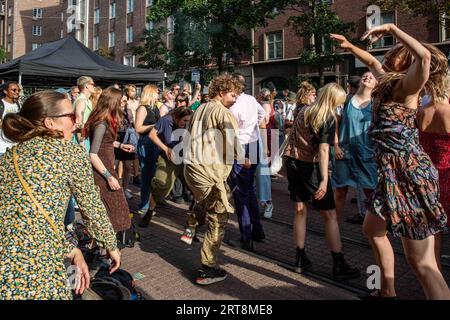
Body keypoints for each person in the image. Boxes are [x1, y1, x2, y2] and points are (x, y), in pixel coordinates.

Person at [331, 23, 450, 299]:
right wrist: (350, 47)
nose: (389, 54)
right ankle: (387, 291)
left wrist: (393, 29)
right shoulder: (387, 83)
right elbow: (372, 60)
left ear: (405, 61)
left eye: (396, 51)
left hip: (409, 177)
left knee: (423, 264)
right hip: (390, 176)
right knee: (372, 229)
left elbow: (425, 58)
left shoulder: (408, 86)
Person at [0, 91, 120, 300]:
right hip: (39, 267)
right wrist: (110, 244)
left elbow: (24, 223)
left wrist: (72, 250)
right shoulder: (70, 153)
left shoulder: (11, 157)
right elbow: (91, 205)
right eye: (72, 116)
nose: (77, 121)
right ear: (50, 123)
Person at [283, 83, 360, 280]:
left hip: (291, 162)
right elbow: (324, 150)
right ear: (334, 100)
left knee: (300, 211)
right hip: (310, 166)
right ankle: (338, 262)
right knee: (330, 215)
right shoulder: (327, 117)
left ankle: (299, 259)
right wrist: (325, 179)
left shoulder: (304, 110)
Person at [184, 73, 244, 285]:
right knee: (219, 218)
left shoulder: (200, 108)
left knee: (206, 201)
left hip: (192, 169)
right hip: (210, 171)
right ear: (221, 93)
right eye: (233, 94)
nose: (235, 99)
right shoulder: (222, 112)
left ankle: (190, 225)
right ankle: (207, 268)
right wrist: (242, 157)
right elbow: (233, 141)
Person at [84, 87, 134, 234]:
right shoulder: (100, 124)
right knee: (115, 212)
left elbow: (106, 142)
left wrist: (121, 145)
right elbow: (92, 154)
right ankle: (106, 250)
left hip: (107, 169)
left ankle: (105, 249)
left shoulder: (105, 121)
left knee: (113, 212)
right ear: (113, 102)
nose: (124, 104)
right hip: (102, 173)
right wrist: (109, 177)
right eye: (122, 102)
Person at [227, 73, 266, 251]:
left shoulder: (233, 106)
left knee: (240, 193)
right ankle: (257, 231)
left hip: (241, 146)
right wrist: (253, 128)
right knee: (249, 190)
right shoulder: (251, 99)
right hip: (254, 143)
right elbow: (262, 113)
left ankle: (246, 237)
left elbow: (231, 132)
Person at [332, 72, 378, 225]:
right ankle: (335, 228)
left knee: (371, 193)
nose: (367, 77)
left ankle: (374, 229)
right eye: (365, 75)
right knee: (340, 192)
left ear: (376, 84)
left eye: (371, 77)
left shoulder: (376, 104)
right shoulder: (345, 100)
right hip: (344, 154)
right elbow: (335, 125)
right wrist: (336, 145)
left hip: (367, 155)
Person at [139, 106, 193, 227]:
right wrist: (166, 149)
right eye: (184, 120)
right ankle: (149, 211)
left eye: (188, 121)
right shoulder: (166, 120)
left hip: (184, 159)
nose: (186, 123)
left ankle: (192, 221)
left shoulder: (189, 124)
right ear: (178, 117)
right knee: (161, 185)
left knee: (195, 187)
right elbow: (152, 135)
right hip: (167, 158)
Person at [418, 74, 450, 272]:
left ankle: (434, 274)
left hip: (428, 177)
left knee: (434, 231)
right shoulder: (447, 111)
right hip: (447, 175)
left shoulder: (421, 111)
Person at [135, 85, 161, 215]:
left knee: (154, 174)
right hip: (146, 142)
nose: (158, 94)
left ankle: (151, 203)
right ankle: (144, 206)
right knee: (147, 175)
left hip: (155, 142)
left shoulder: (155, 108)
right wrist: (155, 125)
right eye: (157, 92)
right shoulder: (142, 108)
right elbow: (138, 128)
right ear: (150, 93)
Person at [256, 88, 274, 219]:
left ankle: (267, 202)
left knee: (263, 172)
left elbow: (263, 123)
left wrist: (265, 147)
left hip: (260, 140)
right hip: (241, 144)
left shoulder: (258, 104)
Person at [115, 94, 136, 200]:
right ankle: (116, 189)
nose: (124, 103)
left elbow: (132, 124)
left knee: (128, 166)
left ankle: (125, 188)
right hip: (116, 139)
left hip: (127, 139)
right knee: (115, 165)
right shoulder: (113, 111)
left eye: (125, 101)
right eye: (122, 101)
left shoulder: (129, 111)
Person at [73, 76, 96, 151]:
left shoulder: (87, 101)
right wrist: (82, 146)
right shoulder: (81, 101)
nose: (94, 86)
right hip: (81, 138)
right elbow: (78, 124)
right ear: (86, 86)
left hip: (85, 136)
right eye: (92, 84)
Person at [0, 81, 21, 157]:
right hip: (2, 147)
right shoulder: (1, 104)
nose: (17, 92)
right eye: (14, 90)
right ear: (5, 91)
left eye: (18, 90)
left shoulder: (18, 104)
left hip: (14, 146)